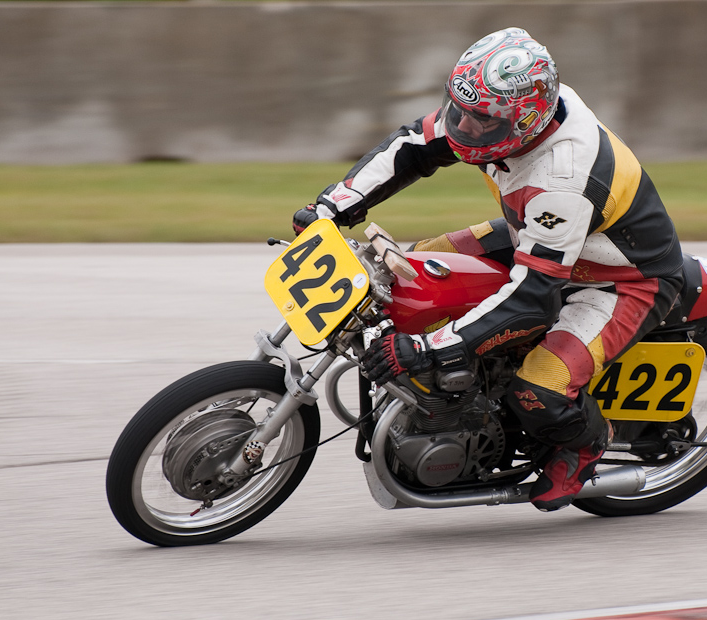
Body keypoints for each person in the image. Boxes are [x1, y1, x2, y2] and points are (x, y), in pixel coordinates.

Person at [292, 27, 683, 512]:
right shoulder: (497, 112)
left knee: (539, 390)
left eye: (483, 122)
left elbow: (532, 295)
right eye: (460, 110)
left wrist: (428, 347)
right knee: (415, 271)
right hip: (540, 238)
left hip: (617, 278)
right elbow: (412, 146)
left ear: (526, 123)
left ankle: (584, 443)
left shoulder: (564, 177)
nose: (465, 129)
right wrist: (333, 206)